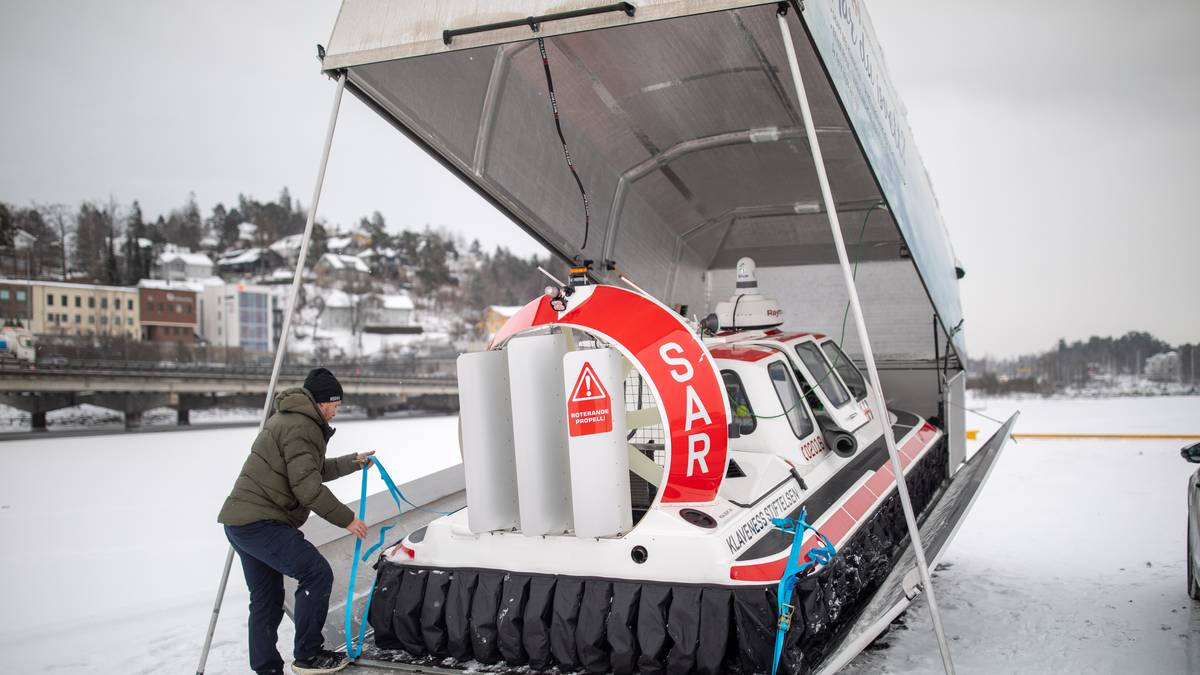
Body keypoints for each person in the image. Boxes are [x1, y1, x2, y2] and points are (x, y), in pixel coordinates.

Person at [218, 367, 375, 675]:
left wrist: (352, 463)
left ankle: (267, 669)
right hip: (261, 522)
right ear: (322, 401)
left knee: (266, 599)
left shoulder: (293, 420)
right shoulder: (303, 427)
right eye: (335, 404)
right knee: (316, 574)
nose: (336, 410)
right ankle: (309, 656)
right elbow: (308, 487)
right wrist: (347, 519)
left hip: (241, 524)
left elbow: (307, 470)